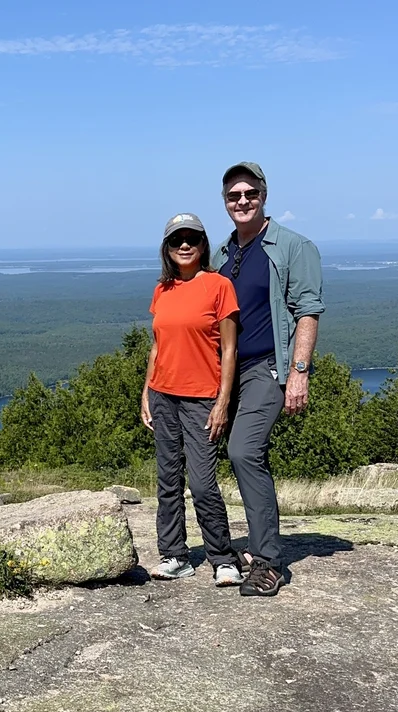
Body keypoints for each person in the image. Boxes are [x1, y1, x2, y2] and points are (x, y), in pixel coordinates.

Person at [212, 162, 325, 597]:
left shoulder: (293, 247)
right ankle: (232, 549)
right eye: (233, 196)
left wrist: (299, 373)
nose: (242, 201)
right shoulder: (223, 253)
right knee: (209, 450)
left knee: (243, 450)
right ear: (225, 202)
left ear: (263, 195)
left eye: (249, 194)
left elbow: (308, 312)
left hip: (267, 368)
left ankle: (268, 563)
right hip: (226, 372)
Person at [141, 213, 243, 587]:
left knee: (202, 483)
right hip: (163, 394)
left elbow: (229, 350)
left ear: (203, 245)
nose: (184, 245)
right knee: (168, 479)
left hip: (202, 397)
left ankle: (221, 557)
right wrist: (146, 392)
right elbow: (157, 345)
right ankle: (174, 555)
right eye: (176, 240)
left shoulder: (219, 286)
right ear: (167, 249)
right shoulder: (162, 290)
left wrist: (222, 402)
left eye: (192, 238)